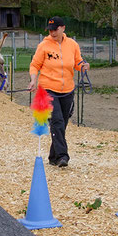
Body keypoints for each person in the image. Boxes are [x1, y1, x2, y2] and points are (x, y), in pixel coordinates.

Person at [29, 16, 90, 167]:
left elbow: (77, 62)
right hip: (48, 90)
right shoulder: (43, 46)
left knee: (61, 125)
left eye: (55, 29)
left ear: (63, 28)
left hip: (67, 90)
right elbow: (34, 65)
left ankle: (53, 157)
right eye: (50, 30)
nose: (52, 32)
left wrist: (83, 66)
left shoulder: (72, 45)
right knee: (57, 122)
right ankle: (63, 156)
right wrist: (33, 80)